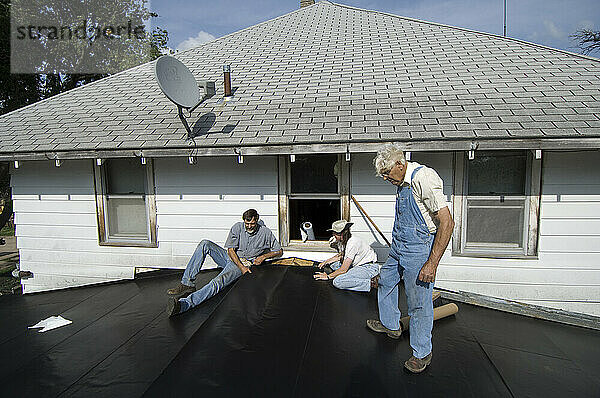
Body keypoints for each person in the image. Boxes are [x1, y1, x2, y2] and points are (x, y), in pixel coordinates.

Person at [367, 144, 454, 374]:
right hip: (398, 245)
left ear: (399, 164)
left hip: (418, 249)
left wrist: (431, 263)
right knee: (385, 279)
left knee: (419, 303)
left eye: (387, 173)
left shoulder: (423, 177)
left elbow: (447, 222)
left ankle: (422, 353)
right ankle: (391, 325)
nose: (386, 178)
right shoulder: (401, 183)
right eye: (383, 175)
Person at [166, 209, 283, 316]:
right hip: (232, 258)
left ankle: (184, 305)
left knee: (217, 282)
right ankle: (187, 283)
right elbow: (230, 250)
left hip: (242, 263)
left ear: (256, 220)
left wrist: (263, 256)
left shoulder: (265, 233)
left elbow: (279, 251)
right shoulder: (237, 227)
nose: (249, 226)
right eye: (246, 224)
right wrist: (241, 267)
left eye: (252, 224)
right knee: (205, 243)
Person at [313, 220, 380, 292]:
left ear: (341, 234)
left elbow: (344, 269)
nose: (333, 235)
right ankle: (347, 275)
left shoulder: (353, 243)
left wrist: (328, 276)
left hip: (367, 267)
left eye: (334, 233)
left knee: (338, 281)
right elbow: (341, 255)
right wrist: (326, 262)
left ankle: (372, 283)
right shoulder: (343, 241)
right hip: (356, 265)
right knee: (333, 265)